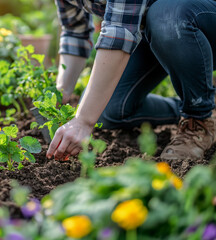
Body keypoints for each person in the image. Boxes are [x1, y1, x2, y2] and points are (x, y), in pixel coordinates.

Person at [46, 0, 216, 161]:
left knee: (167, 18)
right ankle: (193, 110)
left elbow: (119, 31)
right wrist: (62, 91)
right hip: (154, 30)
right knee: (107, 110)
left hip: (197, 18)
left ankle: (199, 119)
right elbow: (75, 32)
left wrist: (83, 121)